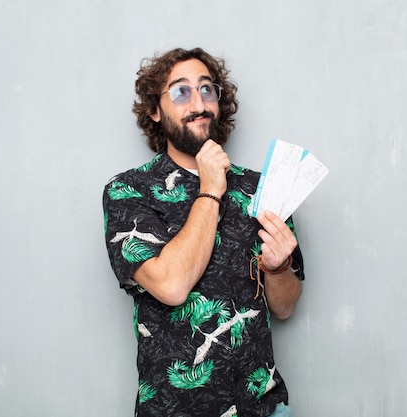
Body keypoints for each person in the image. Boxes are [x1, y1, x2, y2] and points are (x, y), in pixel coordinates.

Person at [103, 47, 304, 417]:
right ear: (154, 110)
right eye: (181, 92)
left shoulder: (261, 190)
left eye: (207, 90)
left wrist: (278, 269)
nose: (199, 103)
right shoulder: (127, 192)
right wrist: (210, 187)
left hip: (263, 407)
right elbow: (171, 286)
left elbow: (286, 306)